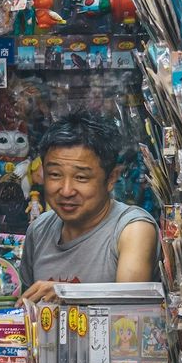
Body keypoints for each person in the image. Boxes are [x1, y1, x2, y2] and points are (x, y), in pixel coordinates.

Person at [19, 112, 158, 302]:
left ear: (111, 179)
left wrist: (69, 294)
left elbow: (129, 307)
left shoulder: (133, 229)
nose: (66, 191)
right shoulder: (39, 230)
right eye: (55, 175)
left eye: (81, 177)